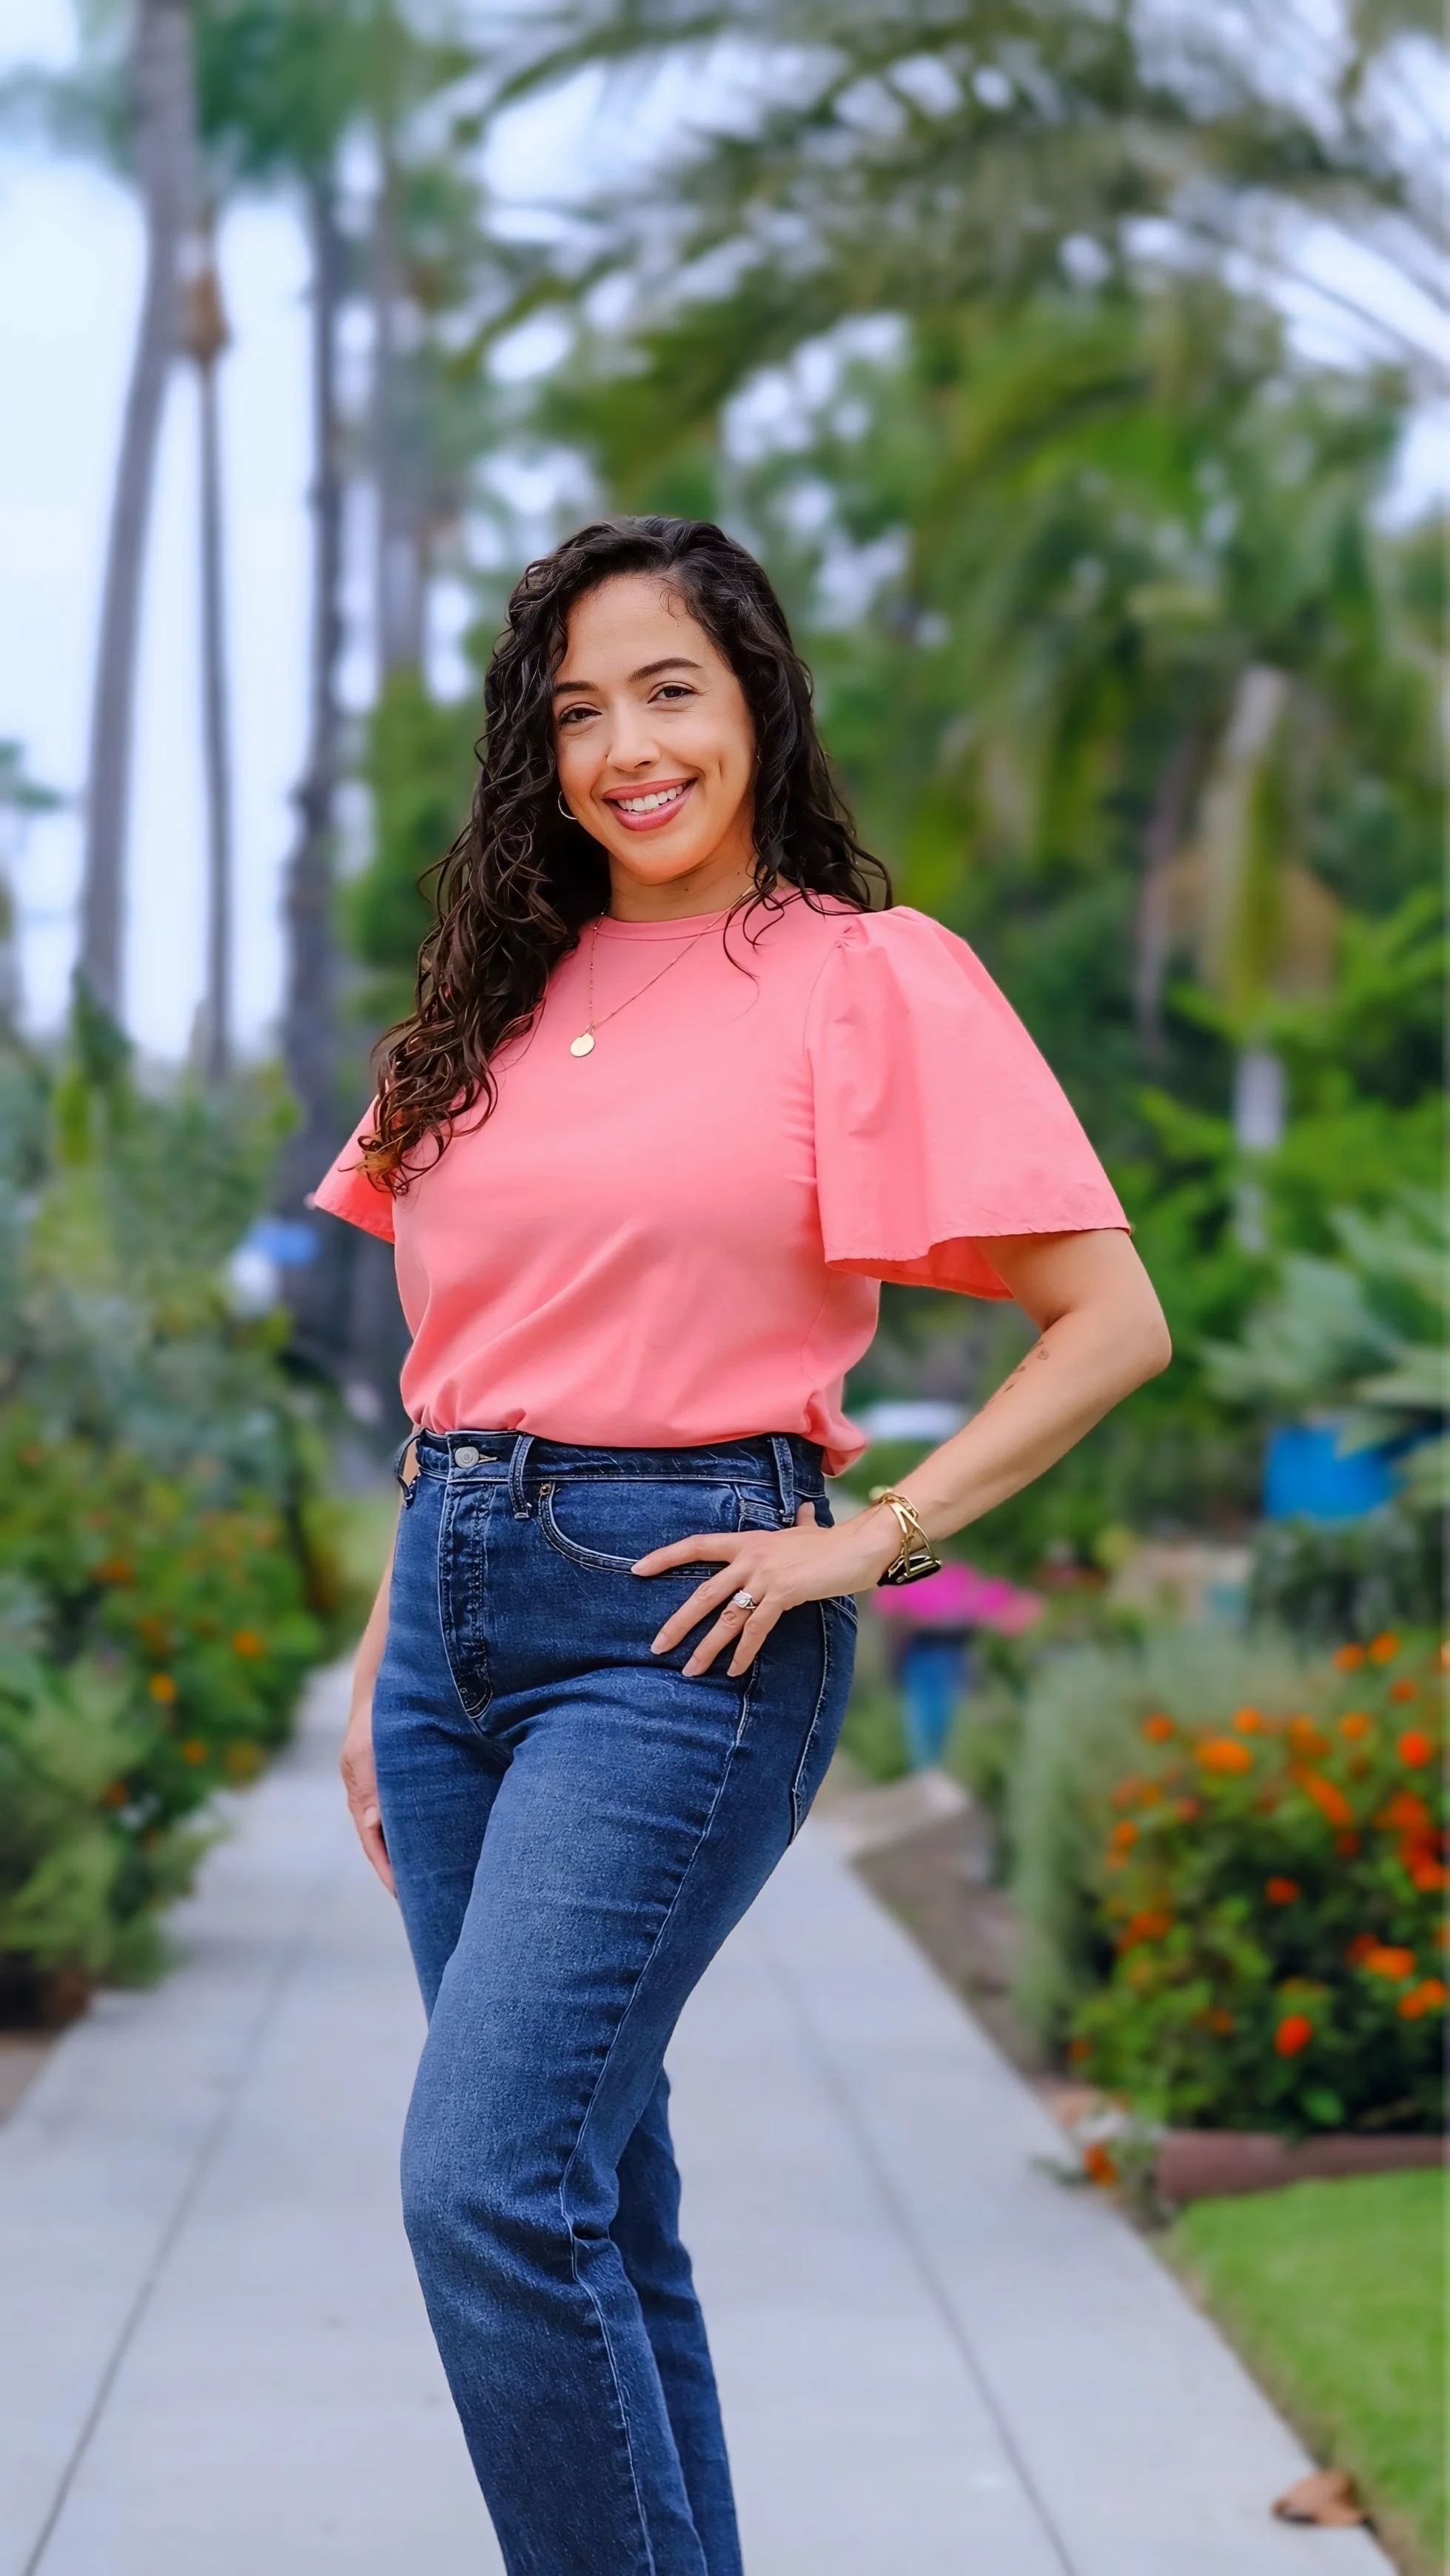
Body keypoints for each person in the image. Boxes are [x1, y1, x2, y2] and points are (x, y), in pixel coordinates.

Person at [314, 514, 1170, 2576]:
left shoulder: (865, 978)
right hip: (449, 1618)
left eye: (668, 691)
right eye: (576, 710)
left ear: (759, 703)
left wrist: (872, 1540)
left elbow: (1112, 1323)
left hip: (680, 1619)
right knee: (595, 2197)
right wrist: (380, 1662)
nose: (627, 748)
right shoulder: (485, 1002)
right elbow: (454, 1369)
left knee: (486, 2187)